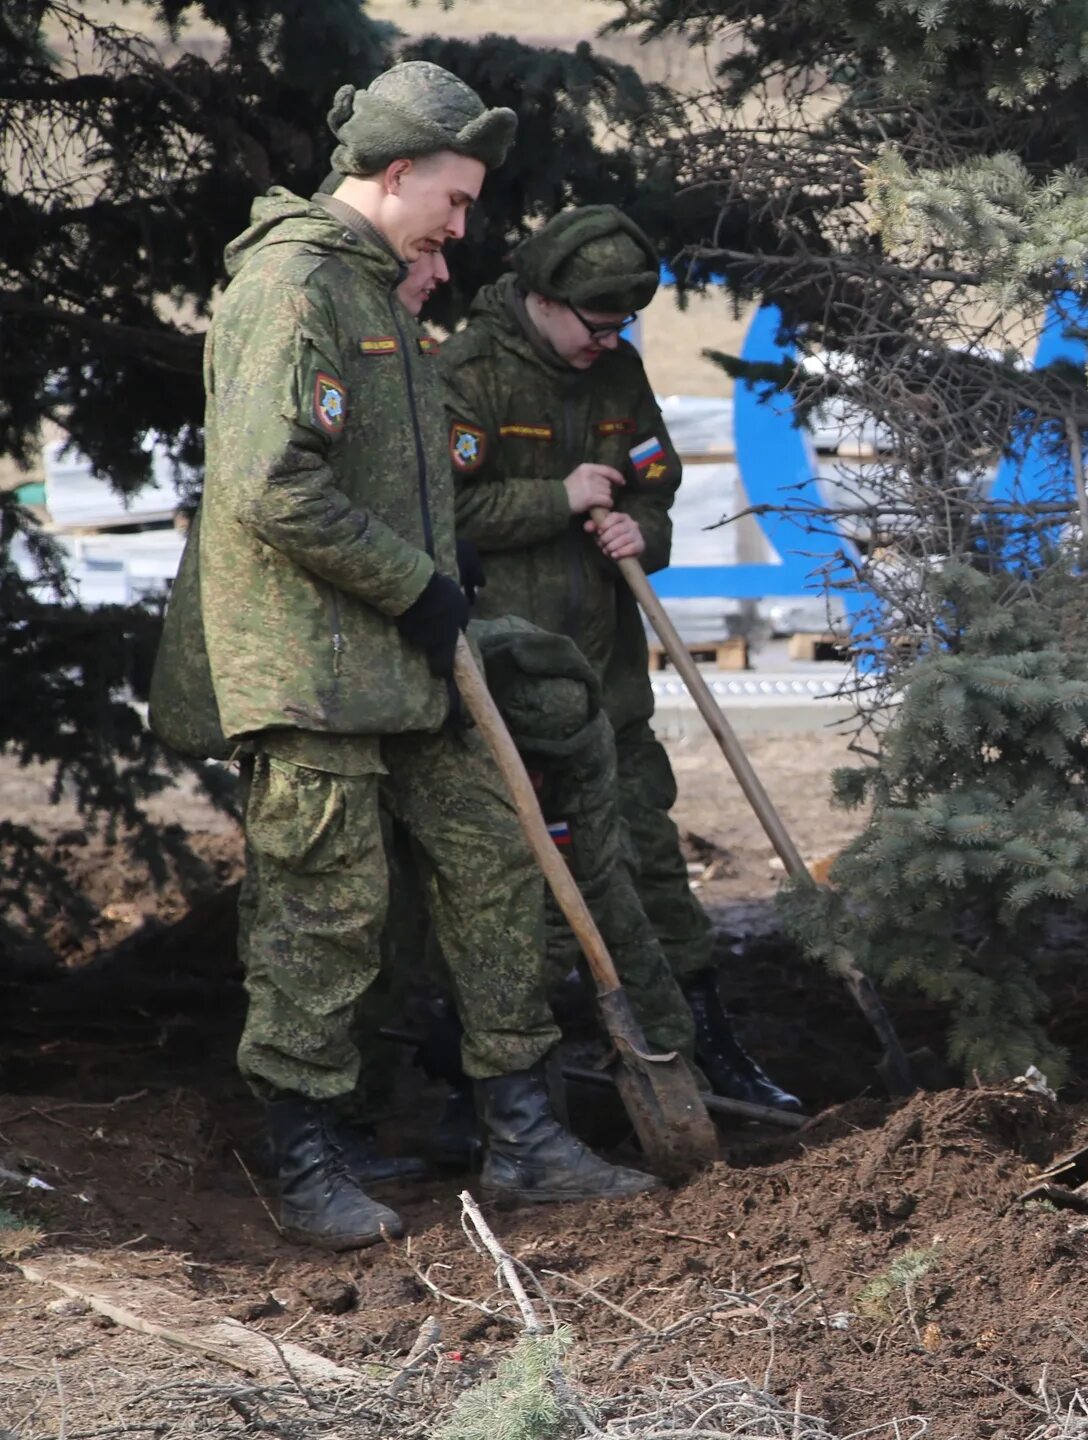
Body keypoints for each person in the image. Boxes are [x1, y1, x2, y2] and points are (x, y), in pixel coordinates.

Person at [150, 62, 658, 1251]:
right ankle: (309, 1149)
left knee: (494, 862)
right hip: (312, 667)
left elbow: (394, 466)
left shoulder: (374, 291)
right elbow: (273, 484)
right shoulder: (292, 288)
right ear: (395, 177)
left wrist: (447, 575)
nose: (465, 227)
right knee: (321, 913)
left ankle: (525, 1135)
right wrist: (415, 581)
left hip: (409, 656)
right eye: (459, 200)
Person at [440, 207, 796, 1112]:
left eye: (623, 325)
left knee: (649, 863)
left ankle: (704, 1046)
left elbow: (655, 481)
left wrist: (650, 527)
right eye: (596, 325)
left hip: (614, 685)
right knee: (518, 888)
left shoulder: (620, 375)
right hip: (510, 695)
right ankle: (502, 1085)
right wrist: (553, 498)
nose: (611, 341)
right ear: (543, 298)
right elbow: (433, 518)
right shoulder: (466, 377)